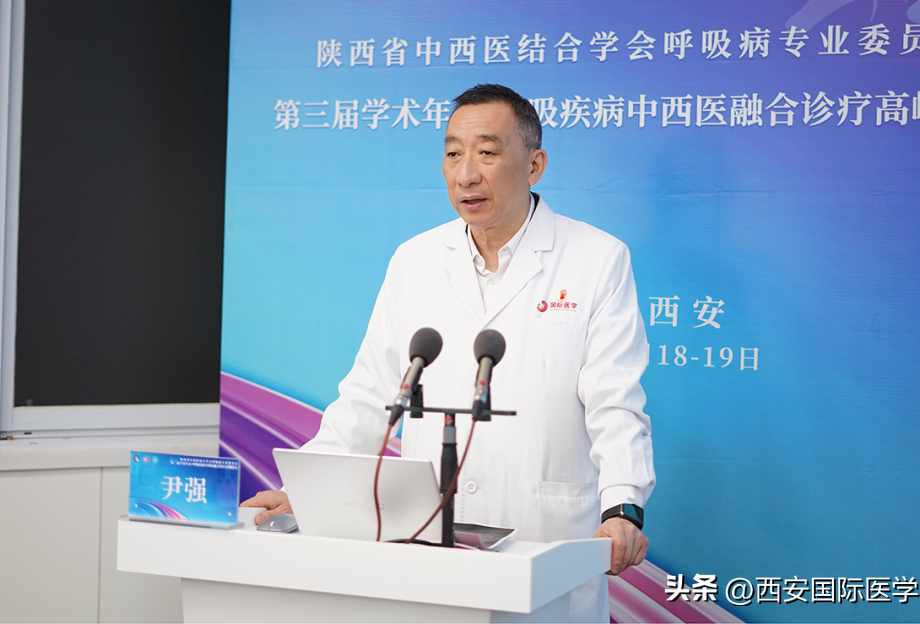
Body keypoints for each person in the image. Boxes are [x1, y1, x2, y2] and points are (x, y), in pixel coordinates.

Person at [243, 83, 654, 622]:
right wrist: (306, 489)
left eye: (487, 152)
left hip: (543, 541)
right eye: (453, 153)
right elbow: (370, 394)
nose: (466, 174)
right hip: (427, 544)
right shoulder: (414, 260)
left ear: (534, 165)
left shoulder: (596, 259)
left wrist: (623, 505)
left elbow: (614, 401)